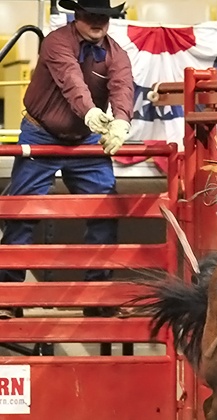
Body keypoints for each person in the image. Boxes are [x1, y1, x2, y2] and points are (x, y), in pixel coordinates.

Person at [0, 0, 134, 319]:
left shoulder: (117, 54)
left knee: (104, 210)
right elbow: (70, 78)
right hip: (42, 133)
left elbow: (122, 86)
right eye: (91, 15)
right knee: (21, 212)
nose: (98, 22)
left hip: (85, 140)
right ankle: (7, 296)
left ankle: (97, 295)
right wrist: (90, 112)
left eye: (104, 16)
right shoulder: (57, 42)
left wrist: (122, 121)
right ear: (77, 16)